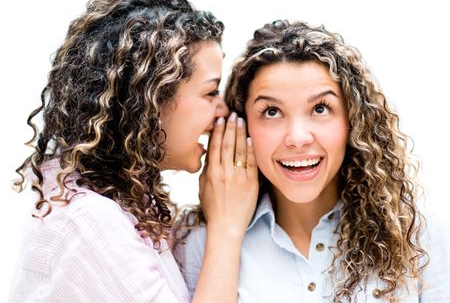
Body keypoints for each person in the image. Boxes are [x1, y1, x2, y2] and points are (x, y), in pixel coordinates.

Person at [10, 0, 258, 302]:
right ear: (150, 104)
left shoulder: (126, 203)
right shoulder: (88, 221)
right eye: (210, 93)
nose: (222, 110)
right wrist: (227, 227)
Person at [176, 20, 450, 302]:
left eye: (320, 108)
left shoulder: (420, 238)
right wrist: (225, 235)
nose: (297, 138)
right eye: (271, 112)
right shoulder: (199, 239)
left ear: (352, 121)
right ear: (241, 124)